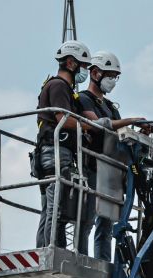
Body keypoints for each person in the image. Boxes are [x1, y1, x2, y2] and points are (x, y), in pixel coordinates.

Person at [78, 50, 144, 260]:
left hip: (111, 168)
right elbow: (95, 125)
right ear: (95, 73)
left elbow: (119, 132)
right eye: (109, 75)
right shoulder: (84, 99)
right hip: (91, 164)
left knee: (107, 221)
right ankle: (81, 257)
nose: (112, 81)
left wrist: (140, 132)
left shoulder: (109, 107)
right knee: (88, 216)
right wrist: (131, 120)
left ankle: (103, 260)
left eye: (115, 77)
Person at [35, 40, 92, 250]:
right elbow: (63, 119)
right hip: (55, 152)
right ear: (71, 63)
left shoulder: (63, 88)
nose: (84, 72)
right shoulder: (59, 85)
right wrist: (89, 127)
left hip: (50, 152)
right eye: (83, 66)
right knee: (55, 208)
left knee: (50, 207)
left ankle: (46, 248)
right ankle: (49, 250)